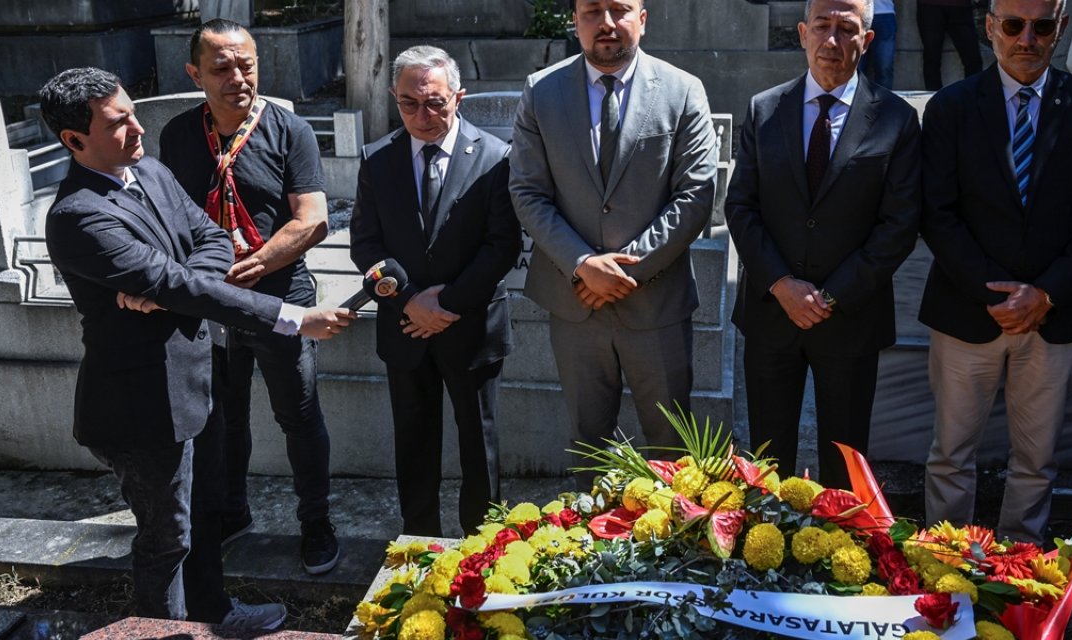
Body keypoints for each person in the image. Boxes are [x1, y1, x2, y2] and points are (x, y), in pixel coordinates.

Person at [38, 67, 352, 630]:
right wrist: (291, 318)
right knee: (167, 538)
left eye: (132, 112)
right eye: (118, 122)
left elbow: (207, 238)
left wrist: (168, 288)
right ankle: (165, 629)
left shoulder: (149, 171)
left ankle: (214, 613)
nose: (137, 128)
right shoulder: (77, 216)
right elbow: (181, 285)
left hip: (195, 381)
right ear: (74, 140)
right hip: (141, 405)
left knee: (207, 514)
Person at [918, 0, 1072, 545]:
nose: (1026, 38)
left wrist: (1047, 292)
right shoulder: (950, 108)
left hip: (1055, 318)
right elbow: (936, 213)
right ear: (989, 29)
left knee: (1037, 462)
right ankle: (945, 565)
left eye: (1042, 26)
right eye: (1013, 24)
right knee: (949, 458)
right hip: (967, 312)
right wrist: (995, 293)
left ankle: (1020, 572)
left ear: (1061, 30)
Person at [509, 0, 718, 485]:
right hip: (573, 301)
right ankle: (592, 553)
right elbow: (527, 191)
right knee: (589, 451)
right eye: (591, 11)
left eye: (619, 9)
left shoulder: (683, 90)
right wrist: (582, 263)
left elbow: (696, 194)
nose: (605, 23)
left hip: (656, 304)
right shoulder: (541, 92)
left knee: (672, 457)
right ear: (576, 20)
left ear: (642, 19)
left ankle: (672, 553)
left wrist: (623, 273)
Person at [159, 19, 339, 575]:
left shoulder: (290, 130)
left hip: (280, 295)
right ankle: (231, 512)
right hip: (211, 299)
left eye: (247, 65)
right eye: (221, 68)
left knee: (299, 415)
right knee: (223, 418)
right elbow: (173, 221)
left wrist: (257, 264)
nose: (238, 77)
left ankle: (316, 524)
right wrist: (207, 279)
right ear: (195, 73)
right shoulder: (178, 136)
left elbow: (313, 219)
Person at [726, 0, 920, 487]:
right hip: (772, 316)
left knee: (845, 469)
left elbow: (898, 226)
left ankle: (840, 556)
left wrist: (831, 295)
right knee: (767, 468)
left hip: (851, 320)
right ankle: (769, 557)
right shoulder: (764, 109)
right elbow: (741, 207)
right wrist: (780, 283)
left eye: (846, 29)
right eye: (822, 27)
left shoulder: (896, 120)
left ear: (867, 40)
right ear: (802, 33)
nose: (832, 41)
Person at [349, 45, 521, 537]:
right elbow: (366, 245)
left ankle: (484, 546)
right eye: (409, 103)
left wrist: (444, 304)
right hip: (405, 327)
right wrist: (410, 300)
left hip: (471, 327)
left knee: (479, 443)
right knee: (414, 441)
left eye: (435, 102)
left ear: (458, 97)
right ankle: (418, 540)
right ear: (393, 98)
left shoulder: (494, 157)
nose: (422, 116)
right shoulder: (377, 159)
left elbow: (501, 246)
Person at [916, 0, 984, 90]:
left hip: (960, 7)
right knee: (932, 58)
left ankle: (974, 96)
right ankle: (935, 99)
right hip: (930, 6)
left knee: (973, 59)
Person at [860, 0, 897, 89]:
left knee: (884, 67)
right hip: (857, 13)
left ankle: (884, 101)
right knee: (856, 67)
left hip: (884, 13)